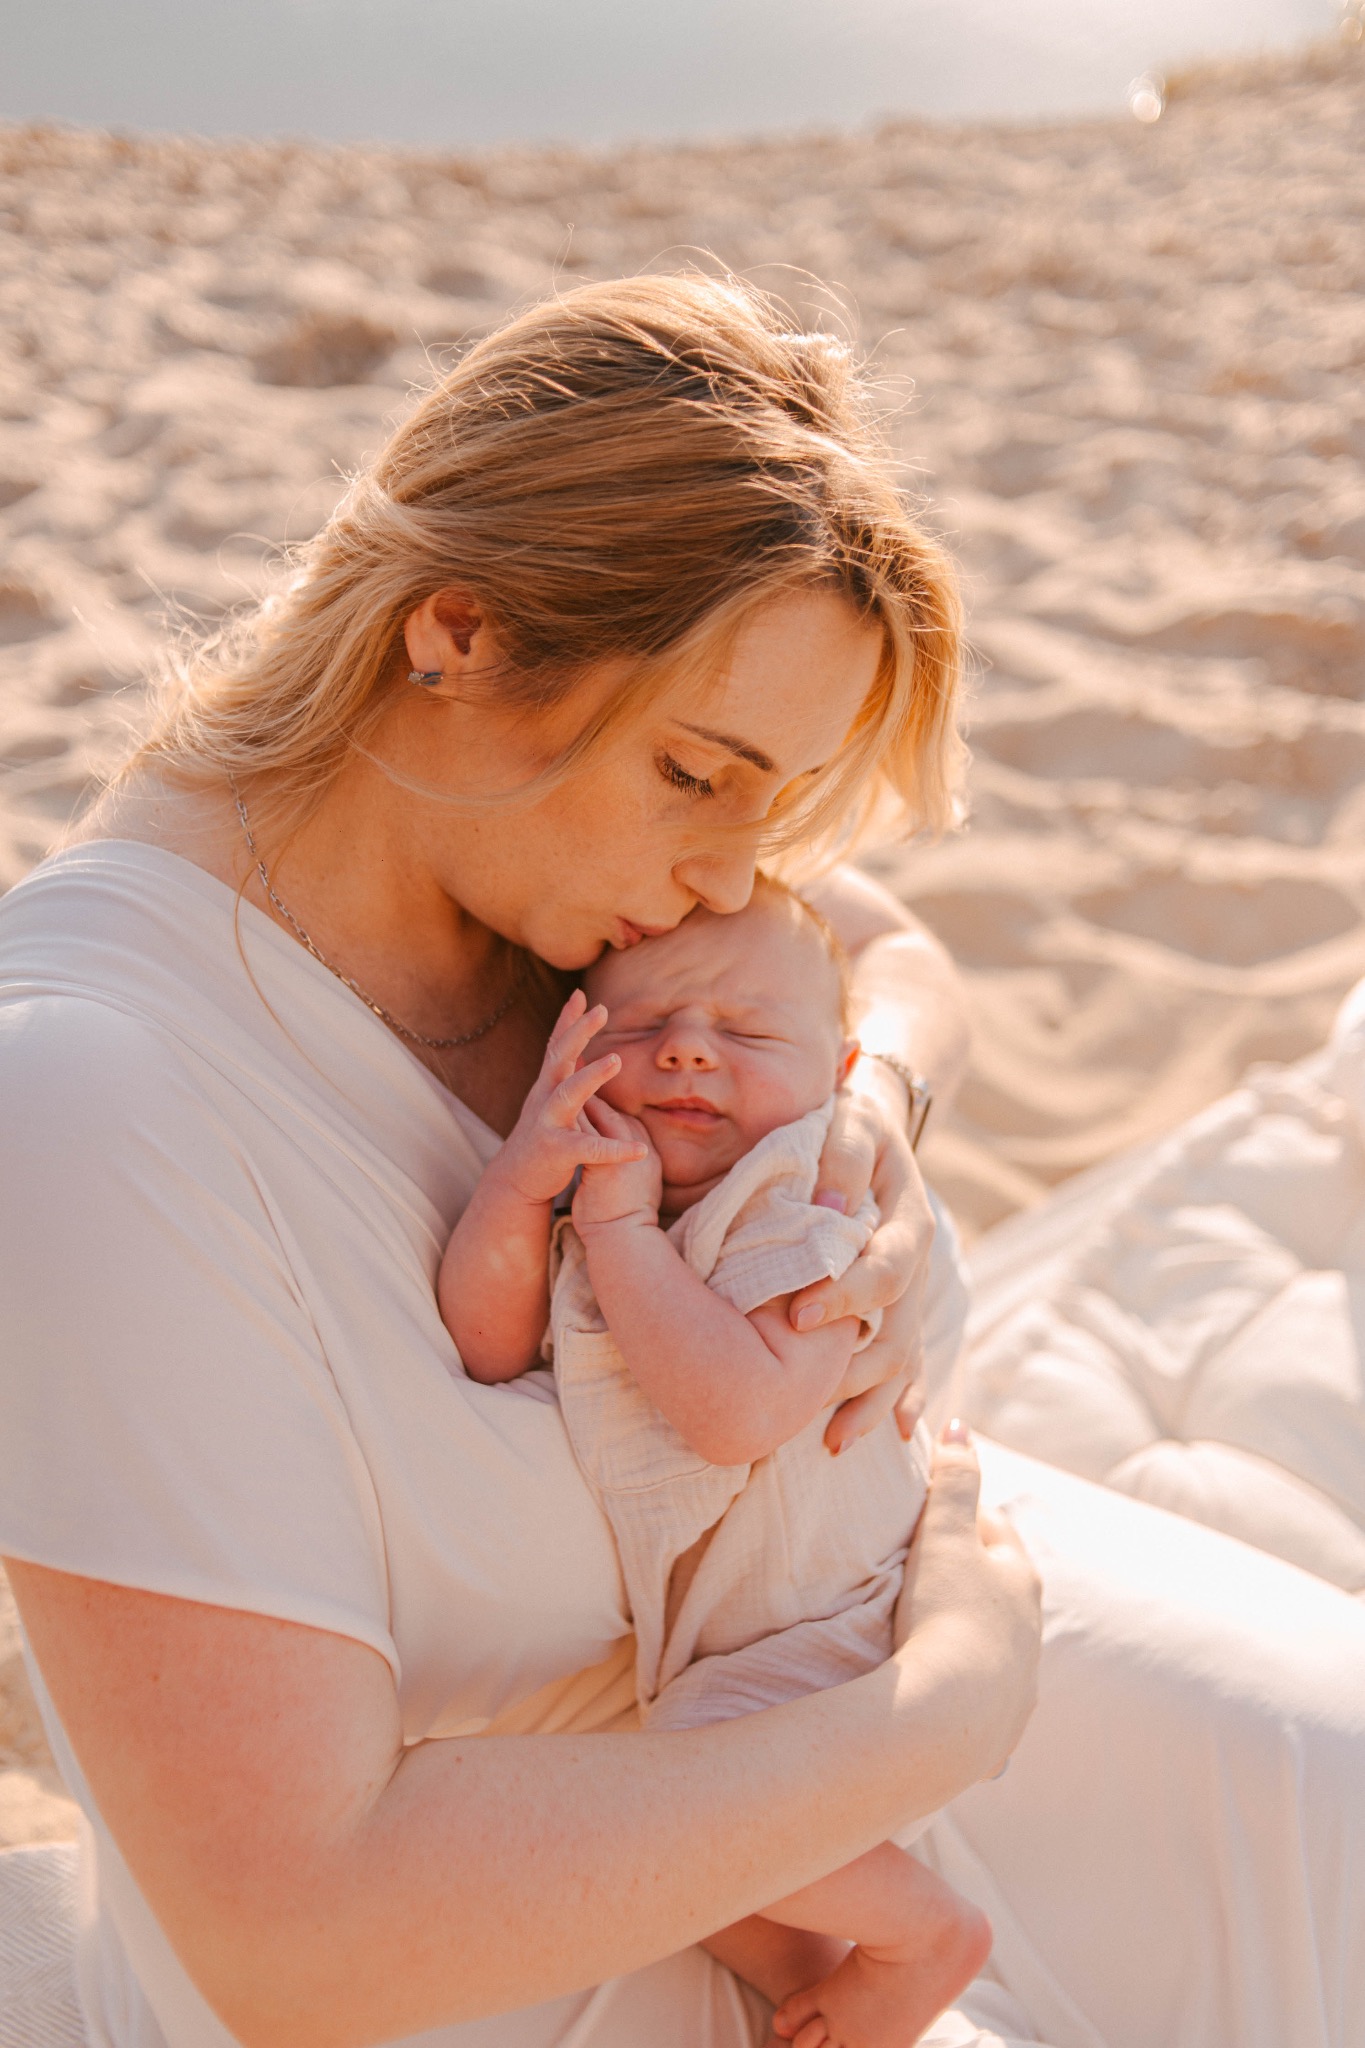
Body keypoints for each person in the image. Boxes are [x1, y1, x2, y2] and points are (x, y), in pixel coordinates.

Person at [0, 272, 1360, 2048]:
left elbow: (897, 962)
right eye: (702, 777)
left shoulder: (532, 867)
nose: (734, 875)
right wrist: (942, 1713)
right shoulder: (93, 1102)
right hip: (578, 1920)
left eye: (770, 804)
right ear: (457, 632)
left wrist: (870, 1117)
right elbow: (294, 1934)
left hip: (848, 1581)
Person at [443, 880, 990, 2048]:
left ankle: (924, 1930)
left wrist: (620, 1233)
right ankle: (816, 1970)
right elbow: (485, 1339)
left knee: (689, 1792)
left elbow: (738, 1410)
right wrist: (520, 1182)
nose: (689, 1048)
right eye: (642, 1027)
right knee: (703, 1867)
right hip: (733, 1641)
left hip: (831, 1624)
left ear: (841, 1075)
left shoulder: (804, 1196)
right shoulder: (602, 1184)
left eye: (746, 1032)